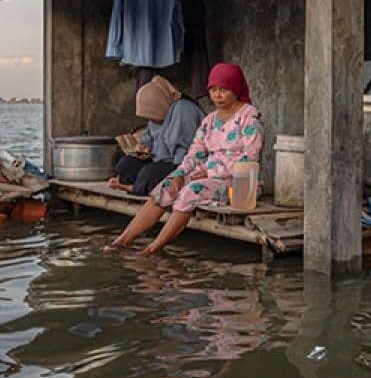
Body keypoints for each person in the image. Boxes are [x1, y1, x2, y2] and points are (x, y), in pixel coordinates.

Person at [104, 62, 263, 255]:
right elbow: (195, 153)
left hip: (237, 182)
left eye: (223, 90)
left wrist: (210, 172)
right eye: (213, 90)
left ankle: (151, 250)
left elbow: (249, 159)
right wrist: (179, 174)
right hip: (205, 174)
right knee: (166, 186)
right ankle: (122, 241)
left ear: (236, 89)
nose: (217, 96)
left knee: (189, 192)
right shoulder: (210, 120)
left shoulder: (249, 119)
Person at [109, 75, 205, 196]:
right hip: (158, 161)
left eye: (153, 116)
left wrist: (178, 173)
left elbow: (184, 150)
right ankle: (138, 184)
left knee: (149, 174)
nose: (152, 120)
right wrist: (143, 148)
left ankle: (133, 187)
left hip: (181, 164)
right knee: (125, 165)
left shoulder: (183, 109)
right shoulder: (156, 117)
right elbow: (147, 138)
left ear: (161, 105)